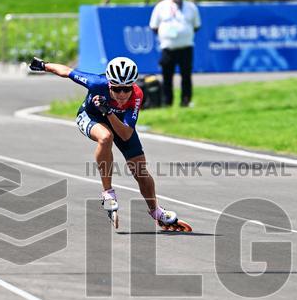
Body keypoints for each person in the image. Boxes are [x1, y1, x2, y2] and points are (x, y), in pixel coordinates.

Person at [28, 55, 191, 232]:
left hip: (118, 122)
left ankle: (156, 212)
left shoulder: (137, 95)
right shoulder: (97, 83)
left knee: (141, 171)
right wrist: (44, 65)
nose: (122, 94)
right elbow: (67, 72)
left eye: (126, 88)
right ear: (109, 84)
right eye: (117, 89)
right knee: (105, 137)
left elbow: (126, 134)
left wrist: (108, 112)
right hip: (91, 117)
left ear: (132, 86)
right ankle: (108, 193)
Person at [149, 0, 201, 108]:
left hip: (186, 47)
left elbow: (196, 26)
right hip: (168, 47)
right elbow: (154, 26)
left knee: (186, 75)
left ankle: (186, 100)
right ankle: (167, 101)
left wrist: (184, 34)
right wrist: (165, 35)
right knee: (167, 76)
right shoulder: (161, 7)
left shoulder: (191, 7)